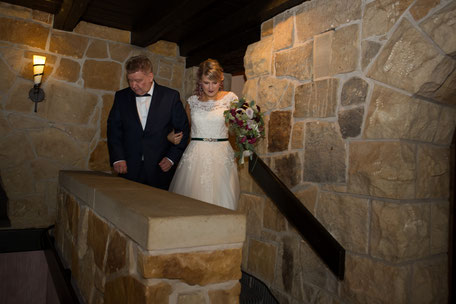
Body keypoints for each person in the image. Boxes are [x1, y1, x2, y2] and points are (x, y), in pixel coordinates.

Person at [107, 55, 190, 190]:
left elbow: (183, 130)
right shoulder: (121, 97)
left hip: (160, 169)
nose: (134, 85)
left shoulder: (170, 97)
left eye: (138, 80)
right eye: (130, 80)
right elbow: (114, 130)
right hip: (128, 167)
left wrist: (171, 158)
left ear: (150, 77)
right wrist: (118, 158)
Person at [168, 59, 240, 210]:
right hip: (195, 156)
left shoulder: (230, 99)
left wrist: (245, 128)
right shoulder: (192, 102)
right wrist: (168, 136)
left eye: (214, 82)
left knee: (222, 201)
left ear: (221, 80)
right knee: (191, 202)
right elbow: (182, 130)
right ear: (200, 81)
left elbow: (236, 128)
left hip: (221, 155)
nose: (211, 87)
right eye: (206, 82)